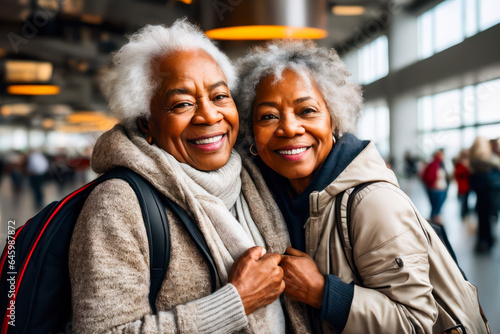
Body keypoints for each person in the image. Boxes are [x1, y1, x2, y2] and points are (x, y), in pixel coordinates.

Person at [69, 21, 310, 333]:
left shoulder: (257, 173)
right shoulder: (118, 203)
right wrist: (235, 302)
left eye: (220, 96)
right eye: (182, 103)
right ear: (147, 125)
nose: (209, 116)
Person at [235, 40, 489, 333]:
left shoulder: (372, 201)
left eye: (306, 111)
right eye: (268, 116)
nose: (290, 128)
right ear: (251, 130)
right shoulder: (266, 195)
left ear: (334, 119)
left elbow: (415, 323)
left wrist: (324, 293)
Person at [469, 136, 500, 253]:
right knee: (486, 220)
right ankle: (487, 241)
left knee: (483, 219)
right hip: (491, 197)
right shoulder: (494, 163)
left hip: (482, 199)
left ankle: (484, 241)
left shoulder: (474, 166)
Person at [421, 148, 449, 224]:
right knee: (435, 211)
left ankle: (434, 225)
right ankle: (434, 226)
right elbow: (427, 177)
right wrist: (431, 185)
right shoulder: (433, 165)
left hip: (441, 189)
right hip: (436, 190)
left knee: (436, 210)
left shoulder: (442, 164)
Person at [453, 149, 471, 222]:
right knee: (463, 202)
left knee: (465, 201)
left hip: (466, 185)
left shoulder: (464, 163)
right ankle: (463, 215)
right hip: (463, 186)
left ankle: (465, 213)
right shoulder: (460, 165)